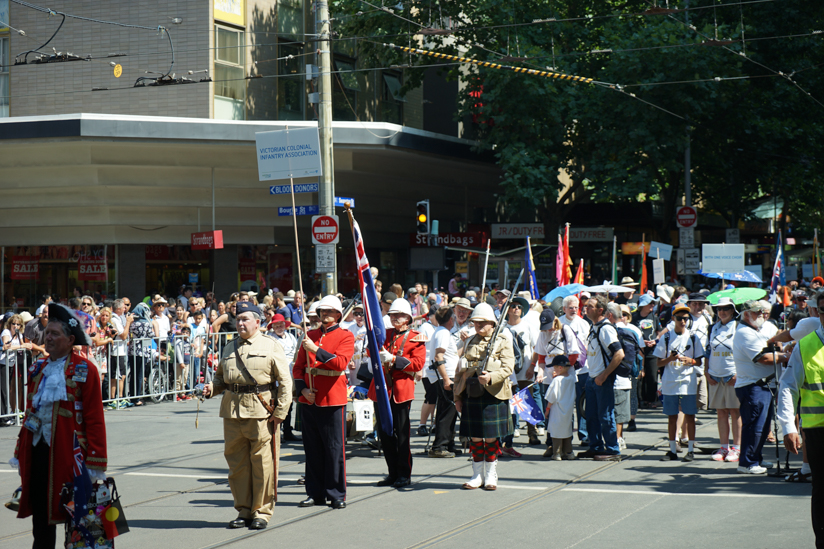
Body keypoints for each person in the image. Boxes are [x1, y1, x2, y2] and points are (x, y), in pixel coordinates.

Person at [11, 304, 107, 548]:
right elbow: (30, 412)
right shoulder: (38, 367)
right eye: (48, 333)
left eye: (55, 334)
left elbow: (94, 418)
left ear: (70, 339)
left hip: (71, 456)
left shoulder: (86, 370)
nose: (48, 337)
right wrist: (20, 450)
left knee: (78, 520)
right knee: (41, 517)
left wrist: (95, 462)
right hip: (38, 451)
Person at [202, 302, 292, 530]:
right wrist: (211, 388)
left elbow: (285, 382)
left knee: (262, 464)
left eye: (245, 319)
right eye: (238, 319)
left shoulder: (271, 345)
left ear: (258, 322)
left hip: (261, 412)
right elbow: (222, 379)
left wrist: (280, 412)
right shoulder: (229, 347)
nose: (240, 323)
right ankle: (243, 510)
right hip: (232, 412)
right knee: (237, 465)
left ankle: (261, 511)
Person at [292, 295, 354, 509]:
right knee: (312, 449)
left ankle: (336, 493)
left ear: (338, 314)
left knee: (334, 448)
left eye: (329, 312)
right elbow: (298, 368)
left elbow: (339, 363)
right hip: (309, 398)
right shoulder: (309, 335)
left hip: (332, 399)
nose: (324, 315)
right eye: (322, 311)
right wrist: (303, 389)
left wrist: (316, 350)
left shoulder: (346, 336)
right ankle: (315, 493)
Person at [777, 290, 824, 546]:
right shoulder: (805, 346)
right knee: (821, 492)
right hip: (818, 433)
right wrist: (788, 426)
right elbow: (788, 388)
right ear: (817, 312)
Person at [453, 303, 514, 490]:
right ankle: (477, 474)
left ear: (492, 323)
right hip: (472, 393)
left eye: (482, 322)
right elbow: (460, 370)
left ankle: (491, 474)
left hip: (493, 394)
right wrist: (457, 396)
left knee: (490, 437)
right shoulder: (469, 341)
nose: (478, 326)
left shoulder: (503, 340)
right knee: (476, 437)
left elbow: (508, 367)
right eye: (475, 322)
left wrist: (490, 377)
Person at [369, 297, 426, 489]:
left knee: (401, 434)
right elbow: (370, 351)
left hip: (400, 391)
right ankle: (392, 472)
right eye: (393, 314)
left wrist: (394, 359)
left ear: (408, 318)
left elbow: (417, 364)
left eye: (400, 315)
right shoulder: (383, 334)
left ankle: (404, 473)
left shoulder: (416, 337)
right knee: (385, 434)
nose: (395, 318)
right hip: (382, 390)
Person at [733, 300, 788, 474]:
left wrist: (778, 345)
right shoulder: (744, 333)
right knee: (755, 426)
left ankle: (756, 458)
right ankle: (747, 463)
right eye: (758, 312)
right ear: (746, 314)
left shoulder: (757, 329)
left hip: (762, 384)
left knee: (763, 427)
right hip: (753, 386)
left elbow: (775, 335)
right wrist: (785, 356)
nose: (762, 315)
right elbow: (763, 358)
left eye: (764, 312)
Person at [654, 304, 705, 462]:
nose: (683, 321)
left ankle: (690, 450)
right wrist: (670, 358)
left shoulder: (693, 337)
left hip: (688, 381)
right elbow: (658, 363)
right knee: (672, 416)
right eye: (679, 318)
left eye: (685, 318)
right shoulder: (667, 337)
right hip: (670, 382)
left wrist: (689, 360)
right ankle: (672, 450)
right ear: (673, 319)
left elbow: (699, 361)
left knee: (690, 415)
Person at [579, 295, 624, 461]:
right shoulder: (594, 327)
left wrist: (603, 376)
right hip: (593, 378)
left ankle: (613, 450)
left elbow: (619, 354)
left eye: (590, 306)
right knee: (591, 415)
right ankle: (596, 446)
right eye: (586, 305)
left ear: (600, 310)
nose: (586, 308)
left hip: (602, 379)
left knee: (605, 416)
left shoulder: (606, 329)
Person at [528, 308, 577, 451]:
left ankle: (567, 443)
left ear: (554, 321)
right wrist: (540, 372)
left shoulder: (565, 330)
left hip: (565, 375)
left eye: (548, 326)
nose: (547, 330)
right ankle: (552, 442)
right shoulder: (543, 334)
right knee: (550, 409)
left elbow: (574, 354)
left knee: (566, 409)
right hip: (550, 376)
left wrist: (562, 372)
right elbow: (541, 357)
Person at [706, 297, 742, 463]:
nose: (722, 312)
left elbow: (742, 351)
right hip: (715, 376)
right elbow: (708, 351)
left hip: (732, 376)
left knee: (735, 412)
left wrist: (738, 373)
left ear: (733, 310)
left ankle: (737, 447)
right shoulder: (713, 328)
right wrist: (707, 372)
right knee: (721, 412)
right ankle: (724, 447)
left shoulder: (738, 327)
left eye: (726, 308)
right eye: (719, 309)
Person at [428, 306, 460, 458]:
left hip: (445, 375)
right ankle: (440, 446)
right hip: (445, 376)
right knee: (447, 411)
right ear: (451, 319)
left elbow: (450, 354)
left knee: (449, 411)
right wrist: (446, 379)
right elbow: (439, 356)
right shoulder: (443, 333)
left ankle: (448, 443)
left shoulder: (442, 332)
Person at [560, 295, 591, 443]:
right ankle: (567, 435)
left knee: (581, 402)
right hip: (564, 370)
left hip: (582, 370)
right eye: (570, 307)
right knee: (566, 403)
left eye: (576, 307)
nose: (573, 310)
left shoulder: (584, 324)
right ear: (564, 308)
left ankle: (584, 435)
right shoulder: (558, 323)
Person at [632, 294, 662, 410]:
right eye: (650, 303)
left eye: (653, 303)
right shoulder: (635, 317)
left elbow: (659, 332)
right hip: (639, 351)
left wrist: (655, 341)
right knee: (640, 377)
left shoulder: (654, 317)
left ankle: (651, 400)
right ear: (643, 305)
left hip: (652, 351)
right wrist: (641, 341)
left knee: (652, 377)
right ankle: (640, 400)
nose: (653, 305)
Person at [545, 355, 576, 461]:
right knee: (567, 431)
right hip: (568, 410)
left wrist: (547, 409)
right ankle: (569, 452)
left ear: (560, 368)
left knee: (556, 432)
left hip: (557, 410)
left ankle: (557, 453)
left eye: (554, 368)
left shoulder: (557, 380)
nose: (553, 370)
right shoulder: (571, 378)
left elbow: (551, 397)